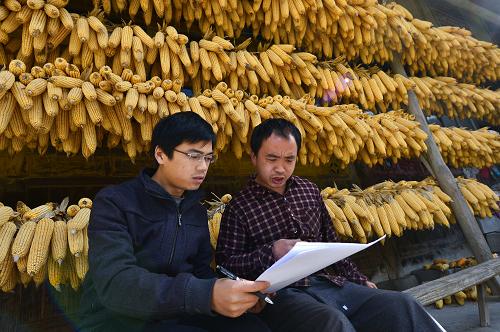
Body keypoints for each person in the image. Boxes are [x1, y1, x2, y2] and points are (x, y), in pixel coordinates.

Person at [215, 118, 443, 332]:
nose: (280, 169)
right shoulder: (239, 207)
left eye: (289, 160)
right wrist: (271, 251)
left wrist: (359, 279)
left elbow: (331, 243)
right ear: (254, 157)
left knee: (401, 304)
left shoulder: (309, 191)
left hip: (327, 283)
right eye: (271, 159)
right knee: (332, 322)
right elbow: (226, 266)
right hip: (280, 296)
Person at [79, 112, 271, 332]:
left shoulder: (195, 212)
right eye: (193, 156)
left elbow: (200, 272)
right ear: (161, 154)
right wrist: (206, 294)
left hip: (176, 313)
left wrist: (239, 293)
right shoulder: (115, 202)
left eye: (208, 158)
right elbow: (117, 284)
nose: (203, 167)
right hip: (116, 319)